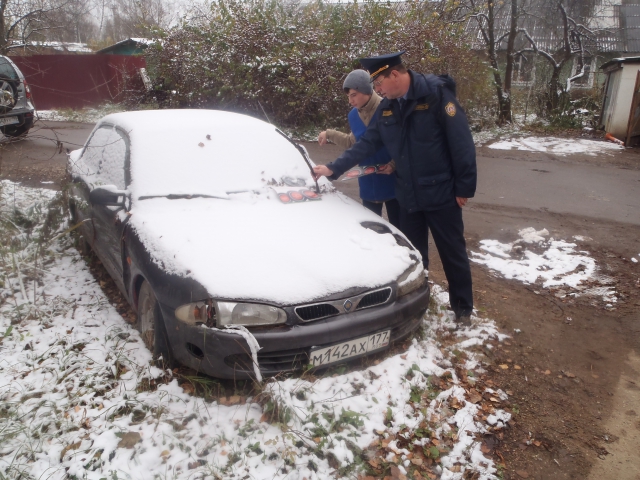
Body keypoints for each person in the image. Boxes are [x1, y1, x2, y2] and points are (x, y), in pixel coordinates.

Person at [312, 51, 477, 327]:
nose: (377, 90)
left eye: (379, 85)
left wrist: (464, 187)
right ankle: (418, 301)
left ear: (395, 75)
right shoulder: (389, 107)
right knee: (413, 255)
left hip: (441, 193)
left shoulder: (436, 95)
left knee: (452, 252)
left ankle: (462, 308)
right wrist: (333, 168)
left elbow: (461, 143)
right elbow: (367, 143)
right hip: (408, 195)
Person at [318, 69, 400, 228]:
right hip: (369, 183)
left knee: (400, 231)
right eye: (348, 96)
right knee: (371, 232)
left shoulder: (388, 108)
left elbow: (403, 142)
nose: (350, 101)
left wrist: (394, 164)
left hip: (394, 182)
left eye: (354, 95)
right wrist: (329, 134)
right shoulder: (353, 115)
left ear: (367, 91)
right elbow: (353, 142)